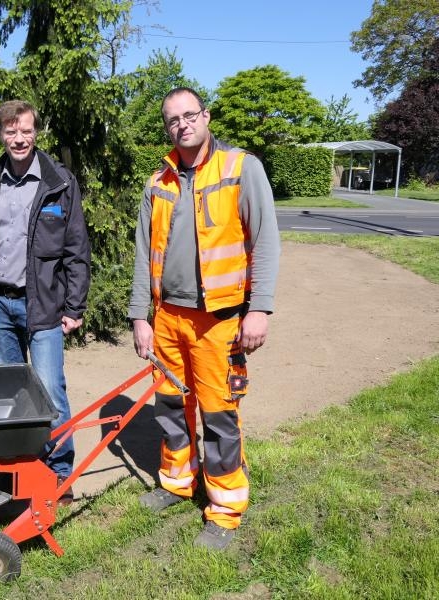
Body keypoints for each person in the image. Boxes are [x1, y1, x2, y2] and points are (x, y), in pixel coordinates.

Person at [128, 87, 280, 550]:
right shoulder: (159, 181)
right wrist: (140, 316)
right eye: (172, 119)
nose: (182, 125)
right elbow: (142, 252)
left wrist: (260, 308)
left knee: (218, 416)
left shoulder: (241, 167)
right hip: (168, 317)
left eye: (189, 115)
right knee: (171, 408)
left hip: (219, 320)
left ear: (206, 116)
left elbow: (266, 241)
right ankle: (177, 484)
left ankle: (225, 509)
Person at [0, 100, 91, 505]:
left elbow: (76, 249)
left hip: (44, 306)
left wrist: (74, 307)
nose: (18, 139)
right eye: (10, 131)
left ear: (37, 133)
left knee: (51, 390)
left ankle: (59, 475)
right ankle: (20, 468)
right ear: (0, 134)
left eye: (26, 131)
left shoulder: (59, 182)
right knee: (11, 392)